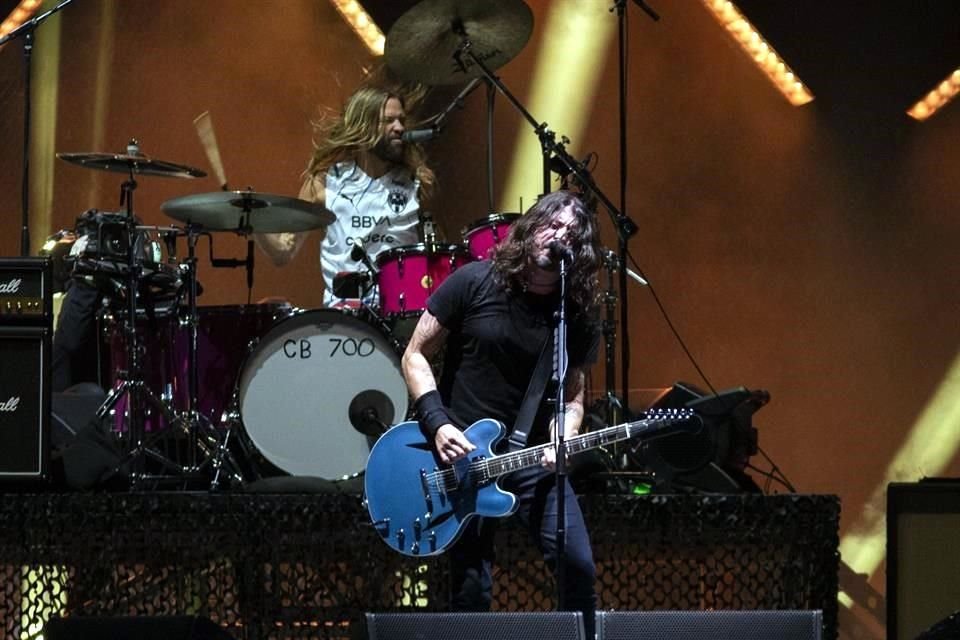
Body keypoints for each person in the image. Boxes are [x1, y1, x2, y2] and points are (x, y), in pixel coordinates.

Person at [400, 190, 603, 638]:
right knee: (471, 587)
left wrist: (564, 434)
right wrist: (438, 423)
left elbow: (573, 395)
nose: (559, 237)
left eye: (571, 233)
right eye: (552, 224)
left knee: (578, 567)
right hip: (461, 456)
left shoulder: (576, 315)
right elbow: (414, 355)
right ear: (532, 226)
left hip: (529, 458)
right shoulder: (474, 281)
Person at [255, 84, 436, 308]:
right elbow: (283, 252)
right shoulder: (324, 183)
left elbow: (434, 252)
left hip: (402, 310)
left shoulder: (416, 182)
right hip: (345, 315)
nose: (399, 127)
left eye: (401, 119)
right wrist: (254, 219)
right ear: (363, 125)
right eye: (388, 120)